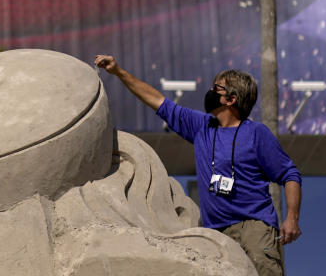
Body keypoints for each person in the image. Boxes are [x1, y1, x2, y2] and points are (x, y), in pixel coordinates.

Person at [94, 55, 301, 276]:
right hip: (215, 234)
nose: (210, 92)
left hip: (253, 227)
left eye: (216, 89)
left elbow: (290, 175)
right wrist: (118, 71)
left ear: (231, 99)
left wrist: (291, 218)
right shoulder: (202, 126)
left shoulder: (257, 133)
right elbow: (158, 101)